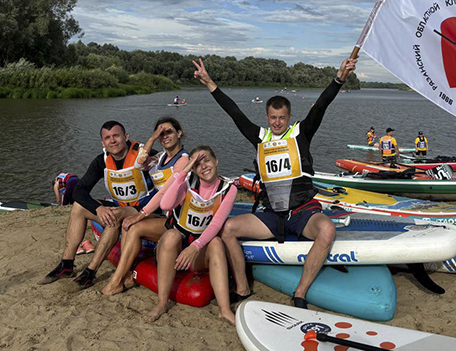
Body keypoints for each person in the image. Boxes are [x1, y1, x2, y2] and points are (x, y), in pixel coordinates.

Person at [192, 56, 357, 309]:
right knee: (228, 229)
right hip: (272, 214)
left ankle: (300, 293)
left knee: (327, 231)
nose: (277, 122)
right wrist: (209, 83)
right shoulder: (261, 137)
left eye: (281, 117)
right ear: (267, 117)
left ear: (289, 116)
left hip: (303, 212)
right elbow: (234, 113)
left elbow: (321, 106)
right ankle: (242, 288)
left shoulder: (300, 133)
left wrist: (339, 78)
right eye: (272, 117)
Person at [41, 121, 157, 289]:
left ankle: (91, 271)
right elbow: (79, 190)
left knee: (113, 216)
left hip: (145, 210)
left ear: (126, 137)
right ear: (103, 143)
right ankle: (67, 263)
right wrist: (98, 208)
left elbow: (170, 167)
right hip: (120, 207)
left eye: (116, 136)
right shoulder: (101, 161)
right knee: (79, 206)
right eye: (107, 138)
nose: (112, 141)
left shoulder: (144, 154)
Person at [145, 146, 237, 324]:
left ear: (216, 161)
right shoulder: (187, 182)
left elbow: (216, 223)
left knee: (216, 242)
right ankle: (162, 303)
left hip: (198, 250)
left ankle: (224, 310)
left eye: (207, 160)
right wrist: (183, 173)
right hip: (176, 246)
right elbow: (165, 205)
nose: (204, 167)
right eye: (197, 164)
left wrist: (194, 247)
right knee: (171, 235)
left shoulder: (228, 189)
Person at [101, 117, 189, 296]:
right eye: (161, 134)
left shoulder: (184, 160)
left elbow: (165, 193)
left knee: (134, 225)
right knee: (129, 224)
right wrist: (152, 138)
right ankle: (124, 275)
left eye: (169, 132)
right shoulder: (160, 158)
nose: (165, 136)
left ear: (179, 133)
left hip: (182, 221)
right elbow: (139, 164)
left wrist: (140, 215)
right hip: (167, 217)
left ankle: (115, 281)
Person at [53, 173, 95, 255]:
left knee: (66, 201)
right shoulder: (63, 178)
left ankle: (77, 246)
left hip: (71, 183)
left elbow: (59, 197)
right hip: (79, 181)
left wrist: (60, 206)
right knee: (79, 200)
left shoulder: (56, 183)